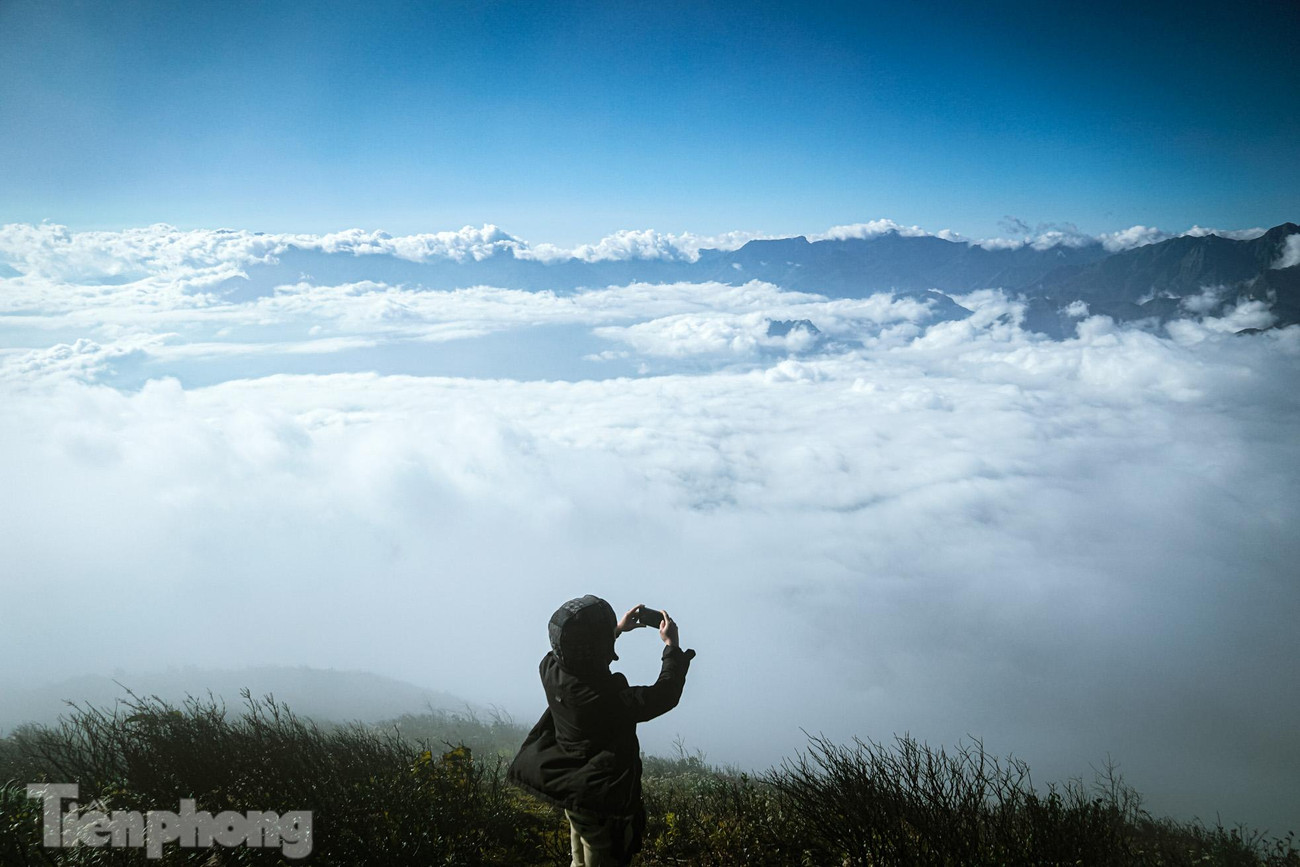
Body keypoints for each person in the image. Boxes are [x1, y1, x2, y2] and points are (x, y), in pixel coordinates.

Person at [508, 595, 695, 867]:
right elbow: (663, 695)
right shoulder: (607, 698)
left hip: (572, 790)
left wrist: (617, 630)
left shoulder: (549, 669)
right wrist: (672, 646)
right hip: (600, 800)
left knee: (579, 857)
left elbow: (576, 653)